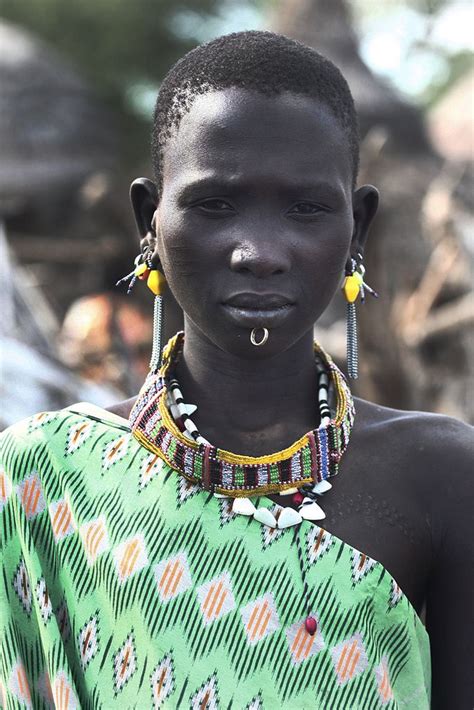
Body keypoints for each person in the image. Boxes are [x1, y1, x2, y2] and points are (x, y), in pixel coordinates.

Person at [1, 31, 472, 710]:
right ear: (149, 221)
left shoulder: (443, 474)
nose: (259, 251)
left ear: (358, 229)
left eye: (306, 208)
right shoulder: (40, 477)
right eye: (215, 204)